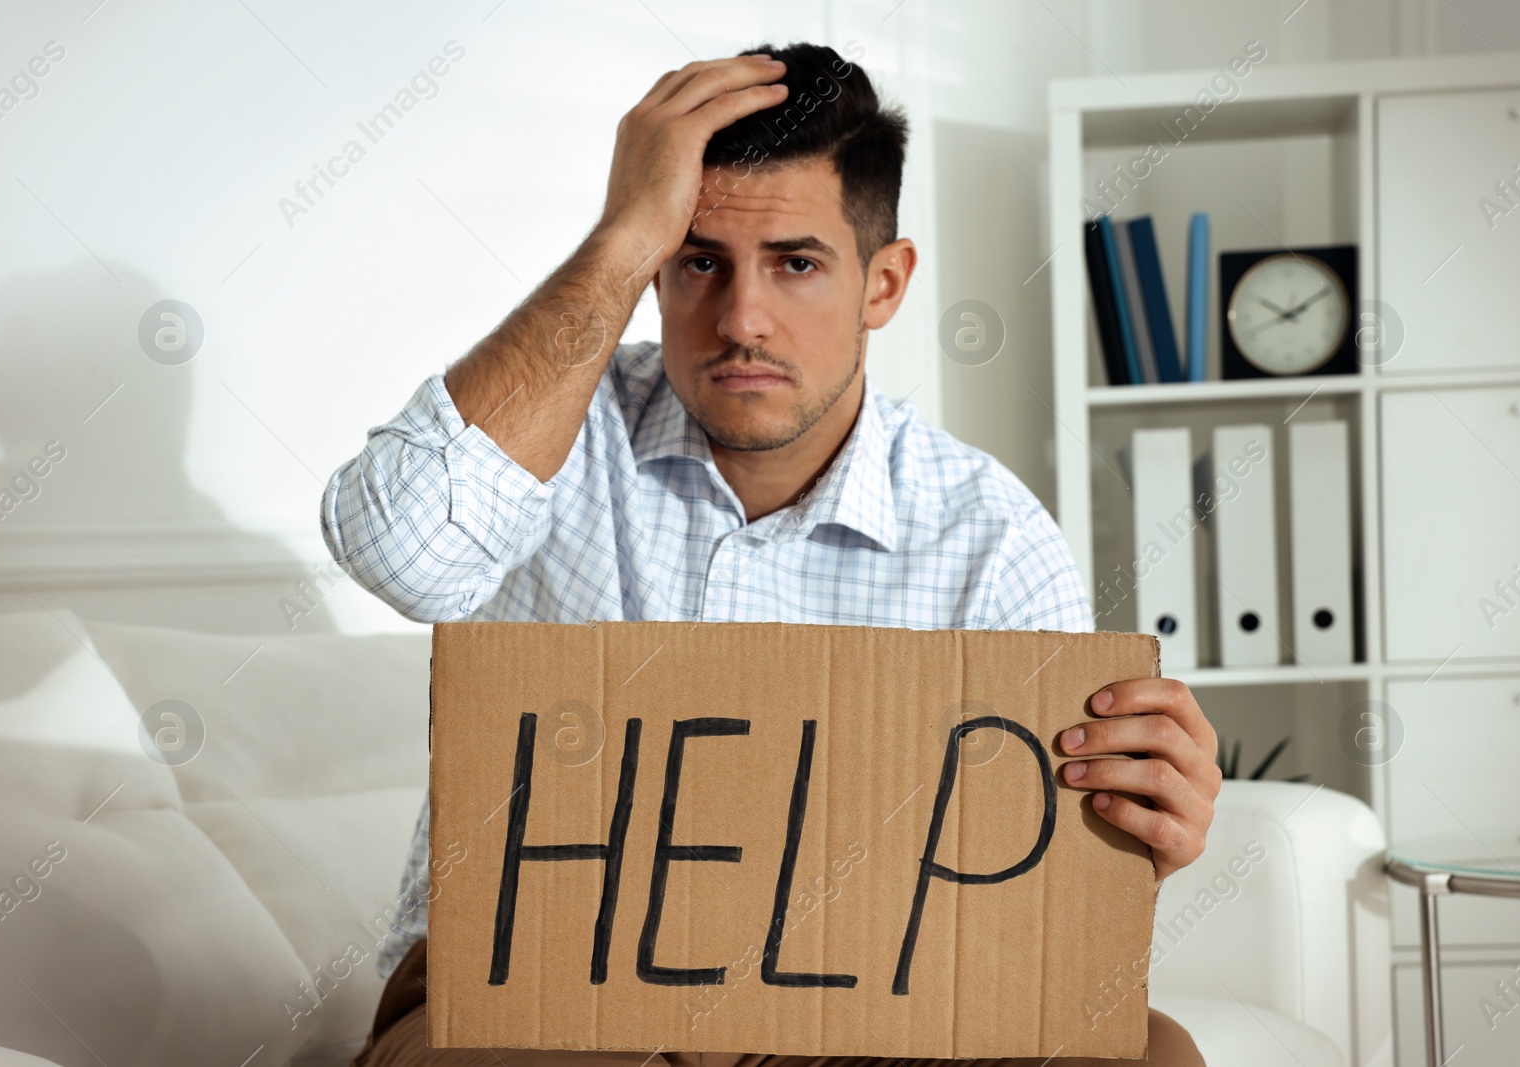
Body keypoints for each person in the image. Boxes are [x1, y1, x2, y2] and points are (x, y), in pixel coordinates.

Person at [323, 41, 1218, 1067]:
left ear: (883, 284)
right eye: (699, 260)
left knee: (1151, 1053)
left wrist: (1137, 822)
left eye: (796, 262)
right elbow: (397, 556)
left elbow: (1035, 889)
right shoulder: (557, 429)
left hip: (865, 992)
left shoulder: (990, 536)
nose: (741, 318)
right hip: (538, 975)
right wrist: (619, 239)